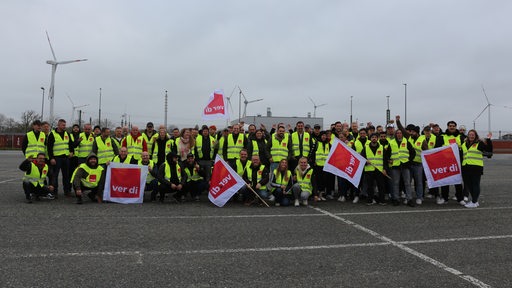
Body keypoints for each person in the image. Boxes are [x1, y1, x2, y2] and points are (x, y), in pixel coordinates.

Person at [435, 120, 464, 205]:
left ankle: (460, 199)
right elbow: (437, 149)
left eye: (453, 126)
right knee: (445, 182)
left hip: (457, 163)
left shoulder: (461, 137)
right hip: (445, 163)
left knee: (458, 182)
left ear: (455, 127)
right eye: (450, 126)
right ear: (447, 127)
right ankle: (444, 198)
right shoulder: (442, 136)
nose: (452, 127)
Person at [462, 130, 493, 208]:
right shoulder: (464, 144)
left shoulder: (479, 143)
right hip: (466, 167)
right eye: (470, 135)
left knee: (475, 184)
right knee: (469, 185)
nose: (471, 136)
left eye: (473, 135)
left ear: (475, 136)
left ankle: (474, 201)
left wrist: (489, 140)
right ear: (467, 136)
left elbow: (489, 150)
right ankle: (474, 200)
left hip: (476, 167)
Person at [387, 128, 416, 207]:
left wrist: (409, 161)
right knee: (395, 183)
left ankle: (409, 199)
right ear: (395, 134)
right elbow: (387, 154)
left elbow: (413, 152)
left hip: (405, 165)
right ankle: (396, 199)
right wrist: (389, 160)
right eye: (397, 133)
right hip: (395, 166)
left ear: (402, 134)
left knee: (407, 183)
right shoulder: (391, 142)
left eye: (400, 133)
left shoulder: (406, 141)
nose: (399, 134)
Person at [46, 119, 74, 198]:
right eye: (63, 125)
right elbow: (49, 148)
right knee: (54, 176)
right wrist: (51, 158)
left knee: (66, 176)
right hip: (56, 158)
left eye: (65, 125)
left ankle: (67, 191)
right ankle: (54, 192)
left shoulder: (67, 134)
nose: (64, 126)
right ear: (58, 125)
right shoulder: (52, 134)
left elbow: (71, 144)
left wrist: (72, 152)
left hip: (66, 158)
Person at [361, 133, 388, 205]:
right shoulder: (366, 148)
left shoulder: (382, 147)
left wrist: (385, 169)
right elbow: (361, 158)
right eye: (372, 137)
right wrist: (366, 161)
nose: (374, 138)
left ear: (377, 138)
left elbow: (385, 160)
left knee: (381, 185)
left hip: (379, 170)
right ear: (370, 139)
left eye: (375, 137)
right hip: (369, 170)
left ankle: (382, 200)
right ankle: (370, 200)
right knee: (370, 186)